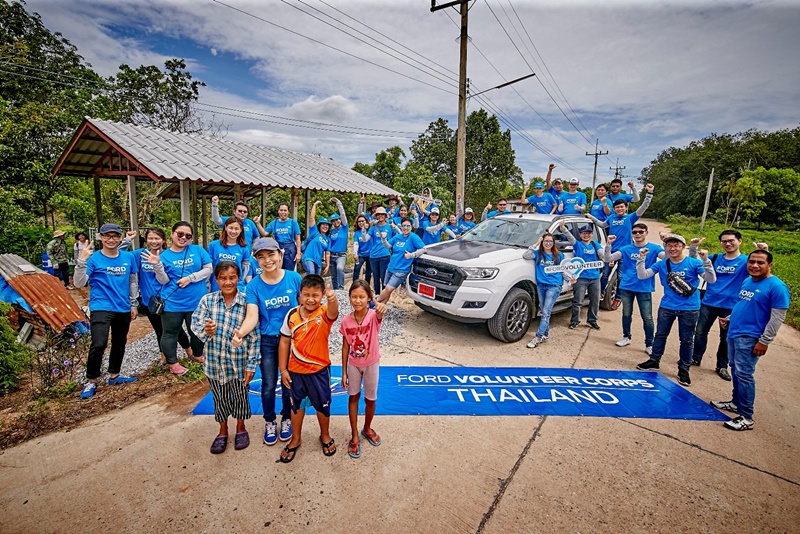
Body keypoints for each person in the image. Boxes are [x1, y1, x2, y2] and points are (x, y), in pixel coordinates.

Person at [711, 250, 791, 431]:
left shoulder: (776, 287)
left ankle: (746, 417)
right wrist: (730, 318)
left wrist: (764, 341)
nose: (755, 265)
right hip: (734, 332)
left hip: (751, 337)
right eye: (752, 262)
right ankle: (735, 403)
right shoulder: (748, 281)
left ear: (769, 265)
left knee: (745, 374)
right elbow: (744, 304)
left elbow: (777, 318)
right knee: (736, 370)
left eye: (760, 262)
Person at [233, 237, 300, 446]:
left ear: (280, 254)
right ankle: (270, 420)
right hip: (269, 341)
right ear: (256, 261)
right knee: (269, 384)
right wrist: (240, 333)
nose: (267, 260)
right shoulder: (253, 286)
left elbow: (305, 309)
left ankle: (287, 417)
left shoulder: (294, 278)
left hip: (292, 341)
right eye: (261, 257)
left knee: (289, 381)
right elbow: (252, 316)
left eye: (271, 255)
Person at [191, 261, 260, 453]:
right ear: (216, 279)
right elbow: (196, 323)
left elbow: (255, 336)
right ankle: (222, 431)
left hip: (239, 364)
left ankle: (241, 427)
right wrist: (206, 330)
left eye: (232, 277)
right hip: (214, 363)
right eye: (223, 278)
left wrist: (252, 365)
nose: (228, 282)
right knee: (219, 399)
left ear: (238, 278)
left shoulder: (247, 302)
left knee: (240, 397)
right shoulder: (208, 300)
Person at [635, 234, 716, 387]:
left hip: (690, 308)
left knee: (686, 340)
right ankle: (654, 360)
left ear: (683, 247)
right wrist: (641, 259)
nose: (672, 248)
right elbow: (642, 275)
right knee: (660, 335)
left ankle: (684, 369)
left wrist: (706, 261)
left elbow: (711, 280)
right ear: (665, 248)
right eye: (669, 245)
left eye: (676, 245)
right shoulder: (662, 264)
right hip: (667, 306)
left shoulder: (693, 263)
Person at [689, 231, 769, 381]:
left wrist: (763, 251)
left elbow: (761, 270)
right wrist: (693, 247)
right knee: (700, 332)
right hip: (709, 302)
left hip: (732, 306)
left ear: (740, 241)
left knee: (726, 338)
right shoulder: (714, 258)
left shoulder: (747, 261)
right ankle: (695, 357)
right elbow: (693, 263)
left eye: (731, 240)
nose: (728, 244)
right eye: (724, 241)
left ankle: (722, 366)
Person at [277, 275, 339, 463]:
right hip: (295, 372)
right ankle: (296, 439)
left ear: (321, 296)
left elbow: (334, 312)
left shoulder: (324, 312)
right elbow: (284, 342)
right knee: (296, 407)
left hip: (319, 372)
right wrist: (283, 369)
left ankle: (325, 436)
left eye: (315, 295)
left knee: (323, 406)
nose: (310, 299)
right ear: (299, 295)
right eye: (306, 295)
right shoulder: (292, 315)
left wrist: (332, 298)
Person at [73, 223, 139, 399]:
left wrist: (134, 304)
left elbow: (132, 281)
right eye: (107, 236)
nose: (111, 239)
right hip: (101, 307)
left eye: (115, 236)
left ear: (120, 238)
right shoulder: (93, 259)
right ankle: (91, 380)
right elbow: (79, 283)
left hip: (123, 306)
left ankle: (114, 375)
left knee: (119, 341)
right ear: (100, 237)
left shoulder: (128, 257)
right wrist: (81, 261)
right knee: (99, 343)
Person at [132, 228, 194, 365]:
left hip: (167, 299)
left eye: (157, 238)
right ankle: (164, 356)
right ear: (146, 240)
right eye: (151, 238)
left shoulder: (168, 255)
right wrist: (126, 241)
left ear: (164, 240)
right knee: (158, 328)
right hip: (150, 300)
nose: (154, 241)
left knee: (174, 329)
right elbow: (120, 255)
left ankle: (189, 351)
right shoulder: (140, 255)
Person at [340, 280, 387, 459]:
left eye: (362, 296)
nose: (357, 300)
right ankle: (354, 435)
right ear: (349, 298)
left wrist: (380, 306)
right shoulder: (346, 321)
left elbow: (381, 312)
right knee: (353, 397)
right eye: (354, 296)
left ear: (368, 298)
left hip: (372, 364)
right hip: (353, 365)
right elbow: (345, 347)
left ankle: (367, 428)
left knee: (370, 399)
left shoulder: (374, 316)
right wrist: (343, 372)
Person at [159, 222, 212, 376]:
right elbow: (162, 280)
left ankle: (197, 356)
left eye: (188, 236)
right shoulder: (164, 256)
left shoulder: (197, 250)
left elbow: (208, 269)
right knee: (170, 333)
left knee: (197, 331)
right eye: (180, 234)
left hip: (196, 301)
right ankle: (173, 363)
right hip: (172, 302)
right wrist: (157, 266)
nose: (183, 238)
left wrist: (191, 278)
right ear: (172, 233)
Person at [605, 223, 665, 354]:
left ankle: (649, 344)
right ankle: (626, 337)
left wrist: (665, 242)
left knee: (647, 317)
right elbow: (608, 258)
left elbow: (667, 258)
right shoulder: (626, 249)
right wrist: (608, 244)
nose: (638, 234)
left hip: (644, 287)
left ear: (646, 233)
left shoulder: (654, 248)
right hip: (626, 286)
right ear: (632, 234)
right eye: (635, 232)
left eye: (641, 232)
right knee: (626, 314)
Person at [587, 183, 654, 297]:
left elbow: (643, 207)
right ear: (614, 209)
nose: (620, 209)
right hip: (612, 251)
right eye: (617, 207)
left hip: (625, 252)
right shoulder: (611, 217)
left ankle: (618, 296)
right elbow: (602, 225)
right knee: (604, 275)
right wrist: (592, 217)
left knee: (621, 276)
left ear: (626, 208)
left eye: (622, 207)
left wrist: (649, 194)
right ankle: (600, 294)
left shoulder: (630, 218)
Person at [524, 233, 570, 348]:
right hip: (541, 285)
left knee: (545, 312)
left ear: (554, 243)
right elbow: (526, 255)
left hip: (554, 286)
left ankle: (538, 337)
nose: (548, 243)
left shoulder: (559, 255)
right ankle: (545, 334)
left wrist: (569, 279)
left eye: (550, 241)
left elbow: (562, 270)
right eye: (546, 241)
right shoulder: (537, 253)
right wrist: (536, 243)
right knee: (545, 311)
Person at [377, 217, 426, 303]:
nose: (405, 228)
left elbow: (423, 249)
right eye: (404, 225)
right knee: (387, 290)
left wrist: (412, 255)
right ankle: (380, 309)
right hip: (391, 267)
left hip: (401, 270)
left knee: (388, 289)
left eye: (408, 226)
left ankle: (374, 302)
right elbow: (387, 246)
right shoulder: (397, 236)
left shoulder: (413, 237)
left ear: (411, 227)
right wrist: (383, 239)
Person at [562, 223, 602, 329]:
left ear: (591, 234)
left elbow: (602, 254)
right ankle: (575, 320)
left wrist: (607, 256)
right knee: (578, 301)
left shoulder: (595, 244)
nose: (586, 235)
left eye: (588, 233)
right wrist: (562, 227)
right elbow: (569, 236)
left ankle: (592, 320)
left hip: (595, 277)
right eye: (584, 233)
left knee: (595, 300)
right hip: (581, 277)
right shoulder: (578, 244)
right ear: (580, 234)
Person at [207, 217, 251, 292]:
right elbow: (208, 267)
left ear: (241, 230)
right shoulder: (213, 245)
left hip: (236, 287)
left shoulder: (244, 249)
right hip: (217, 287)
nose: (233, 231)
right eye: (231, 228)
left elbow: (245, 269)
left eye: (236, 229)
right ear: (225, 227)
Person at [258, 203, 301, 271]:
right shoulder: (274, 223)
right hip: (277, 247)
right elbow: (264, 233)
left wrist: (298, 253)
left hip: (290, 249)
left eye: (285, 210)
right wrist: (258, 223)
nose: (283, 212)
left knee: (288, 271)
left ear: (288, 212)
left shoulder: (293, 222)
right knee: (276, 269)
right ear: (278, 211)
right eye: (281, 210)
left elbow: (298, 239)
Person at [367, 207, 394, 296]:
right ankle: (377, 294)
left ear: (385, 215)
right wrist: (364, 229)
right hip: (373, 255)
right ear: (376, 216)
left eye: (382, 214)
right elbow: (366, 238)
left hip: (385, 255)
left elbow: (391, 241)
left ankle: (384, 295)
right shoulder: (373, 227)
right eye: (378, 214)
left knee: (383, 276)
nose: (380, 216)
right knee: (375, 277)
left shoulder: (389, 227)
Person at [300, 207, 331, 276]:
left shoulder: (328, 240)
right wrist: (315, 205)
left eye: (327, 225)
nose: (325, 226)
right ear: (319, 226)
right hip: (308, 257)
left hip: (318, 262)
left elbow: (327, 253)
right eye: (323, 224)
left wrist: (327, 265)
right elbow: (311, 218)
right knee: (311, 271)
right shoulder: (315, 232)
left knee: (316, 279)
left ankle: (305, 283)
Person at [326, 198, 349, 290]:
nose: (336, 222)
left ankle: (341, 287)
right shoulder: (331, 232)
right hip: (332, 255)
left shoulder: (344, 228)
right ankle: (335, 290)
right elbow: (328, 244)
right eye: (333, 221)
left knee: (340, 268)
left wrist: (338, 203)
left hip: (341, 255)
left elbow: (343, 214)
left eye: (337, 220)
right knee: (333, 275)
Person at [352, 214, 373, 286]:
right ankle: (354, 285)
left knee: (368, 272)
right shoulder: (357, 233)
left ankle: (367, 286)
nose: (361, 223)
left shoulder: (370, 230)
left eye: (362, 221)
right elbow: (355, 243)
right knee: (356, 269)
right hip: (361, 254)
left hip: (370, 254)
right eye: (359, 222)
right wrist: (355, 253)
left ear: (366, 221)